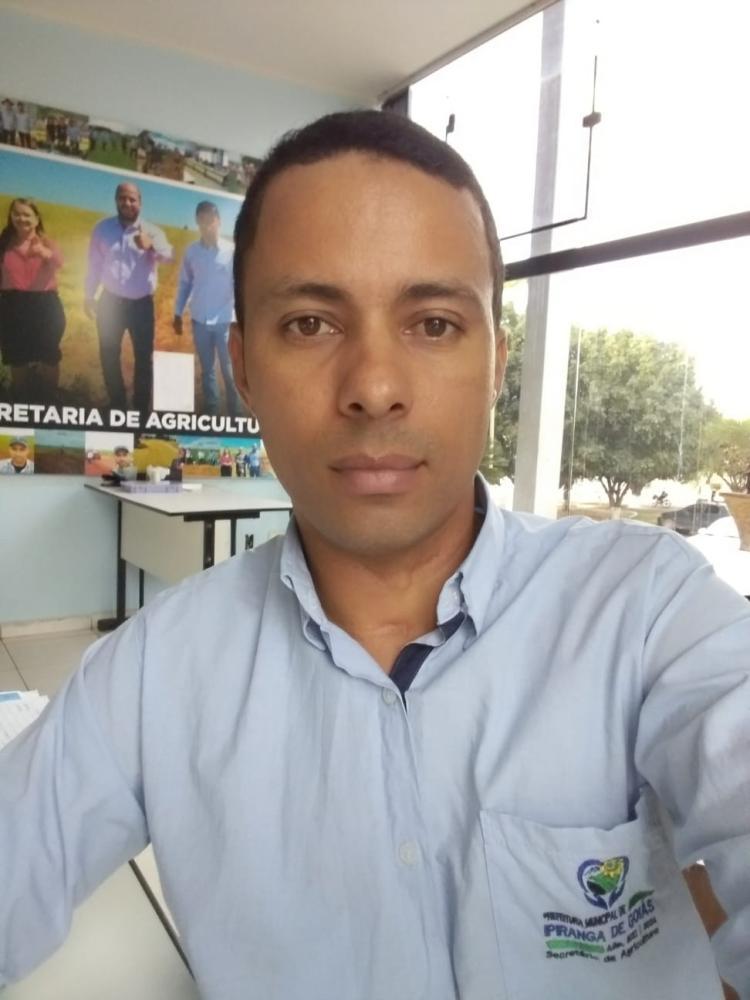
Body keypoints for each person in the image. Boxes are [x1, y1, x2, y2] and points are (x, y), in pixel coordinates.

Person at [0, 111, 748, 1000]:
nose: (375, 388)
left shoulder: (648, 610)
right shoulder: (151, 676)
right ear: (243, 366)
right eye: (310, 324)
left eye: (432, 323)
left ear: (496, 360)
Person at [84, 182, 173, 415]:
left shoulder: (152, 231)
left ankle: (141, 410)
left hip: (141, 305)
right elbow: (94, 265)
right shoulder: (102, 229)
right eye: (122, 198)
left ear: (140, 203)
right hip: (109, 303)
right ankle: (117, 405)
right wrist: (89, 295)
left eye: (132, 199)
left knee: (143, 358)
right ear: (116, 200)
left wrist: (151, 246)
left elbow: (168, 257)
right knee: (108, 353)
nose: (127, 203)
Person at [173, 200, 240, 416]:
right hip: (200, 321)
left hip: (225, 322)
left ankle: (235, 417)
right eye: (202, 221)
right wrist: (177, 312)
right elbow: (185, 284)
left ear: (218, 221)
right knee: (207, 371)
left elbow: (241, 286)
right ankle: (212, 416)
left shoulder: (232, 251)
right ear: (197, 222)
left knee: (230, 372)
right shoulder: (192, 252)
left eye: (210, 220)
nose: (206, 225)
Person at [0, 197, 66, 400]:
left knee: (49, 355)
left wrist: (45, 253)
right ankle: (20, 398)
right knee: (17, 356)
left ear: (36, 219)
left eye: (26, 214)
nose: (21, 218)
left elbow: (60, 262)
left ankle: (49, 398)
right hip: (11, 305)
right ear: (11, 217)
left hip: (44, 306)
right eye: (16, 214)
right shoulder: (3, 243)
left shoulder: (46, 242)